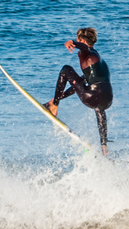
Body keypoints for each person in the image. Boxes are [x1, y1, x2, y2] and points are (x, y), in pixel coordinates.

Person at [43, 27, 113, 156]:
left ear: (81, 39)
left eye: (77, 39)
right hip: (107, 100)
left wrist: (73, 43)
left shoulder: (87, 52)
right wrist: (56, 98)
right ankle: (104, 147)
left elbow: (85, 48)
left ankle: (54, 107)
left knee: (66, 69)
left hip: (92, 96)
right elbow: (78, 85)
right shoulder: (98, 60)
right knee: (99, 109)